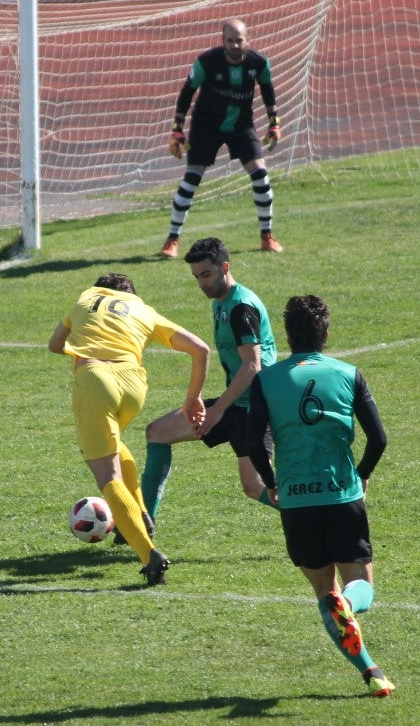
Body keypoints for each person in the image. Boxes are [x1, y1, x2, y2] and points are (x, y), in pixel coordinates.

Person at [244, 295, 394, 697]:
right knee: (359, 589)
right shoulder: (348, 373)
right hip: (342, 495)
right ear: (326, 333)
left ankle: (372, 672)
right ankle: (348, 605)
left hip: (296, 502)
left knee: (324, 594)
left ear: (289, 335)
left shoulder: (267, 379)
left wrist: (272, 481)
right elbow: (378, 439)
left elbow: (253, 441)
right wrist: (360, 477)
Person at [49, 273, 210, 586]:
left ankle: (150, 556)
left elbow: (55, 344)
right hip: (134, 385)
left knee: (108, 476)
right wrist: (192, 400)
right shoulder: (143, 310)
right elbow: (201, 349)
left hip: (96, 380)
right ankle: (139, 514)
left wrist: (82, 342)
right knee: (115, 445)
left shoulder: (86, 298)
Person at [140, 237, 279, 531]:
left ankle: (315, 518)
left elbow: (252, 366)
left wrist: (217, 412)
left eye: (206, 274)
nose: (201, 283)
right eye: (196, 277)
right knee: (157, 432)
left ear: (224, 267)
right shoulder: (221, 302)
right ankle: (143, 525)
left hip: (256, 409)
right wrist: (199, 399)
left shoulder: (241, 307)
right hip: (235, 404)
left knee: (254, 487)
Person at [161, 17, 284, 258]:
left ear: (247, 40)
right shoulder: (207, 62)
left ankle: (266, 236)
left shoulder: (259, 63)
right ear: (222, 41)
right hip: (206, 125)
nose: (235, 45)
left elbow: (268, 90)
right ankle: (172, 240)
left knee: (260, 175)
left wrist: (274, 123)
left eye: (239, 40)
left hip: (241, 125)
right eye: (230, 40)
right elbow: (187, 92)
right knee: (191, 179)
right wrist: (177, 129)